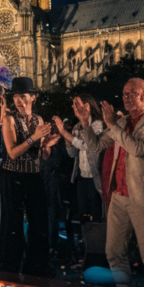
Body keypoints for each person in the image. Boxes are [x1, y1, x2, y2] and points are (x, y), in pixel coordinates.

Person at [79, 78, 144, 287]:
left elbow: (138, 148)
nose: (126, 98)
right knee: (113, 253)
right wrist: (85, 123)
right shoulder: (122, 122)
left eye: (132, 93)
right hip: (120, 196)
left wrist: (112, 125)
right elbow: (94, 146)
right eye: (124, 94)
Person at [0, 77, 60, 276]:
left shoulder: (39, 120)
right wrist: (34, 137)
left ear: (33, 97)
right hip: (12, 176)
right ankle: (9, 269)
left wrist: (46, 147)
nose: (19, 101)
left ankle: (37, 268)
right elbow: (13, 152)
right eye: (16, 97)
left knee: (39, 222)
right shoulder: (9, 119)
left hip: (33, 175)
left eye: (23, 96)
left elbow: (41, 155)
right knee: (12, 224)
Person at [53, 94, 105, 224]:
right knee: (82, 213)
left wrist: (66, 134)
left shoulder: (97, 124)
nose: (72, 107)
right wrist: (66, 139)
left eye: (76, 104)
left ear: (87, 106)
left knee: (96, 213)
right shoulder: (77, 127)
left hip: (95, 177)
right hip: (81, 177)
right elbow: (72, 154)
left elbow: (88, 146)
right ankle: (83, 240)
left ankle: (96, 241)